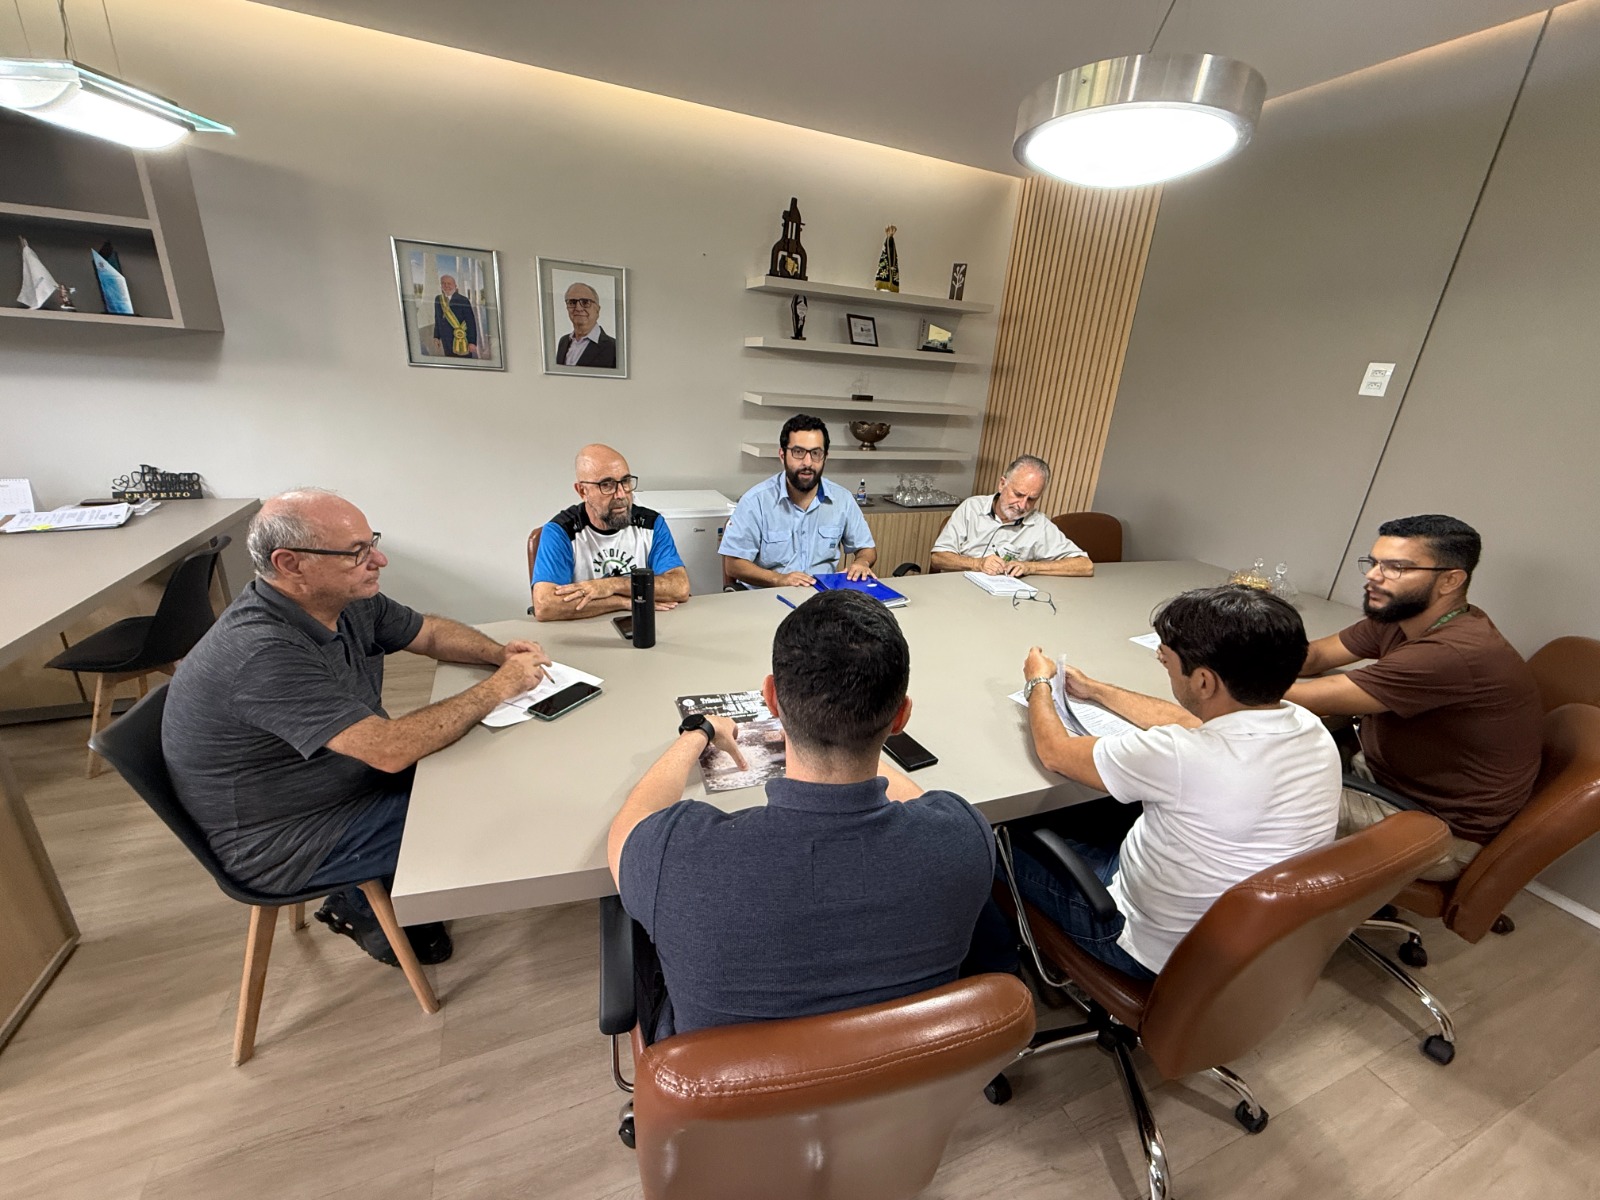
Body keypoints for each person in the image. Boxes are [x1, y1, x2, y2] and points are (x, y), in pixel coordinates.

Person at [163, 489, 551, 967]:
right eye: (356, 552)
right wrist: (499, 688)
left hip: (339, 782)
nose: (378, 560)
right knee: (484, 801)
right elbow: (389, 750)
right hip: (291, 841)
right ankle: (358, 902)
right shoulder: (262, 654)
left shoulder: (341, 598)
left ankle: (383, 892)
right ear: (290, 564)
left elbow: (428, 632)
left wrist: (499, 655)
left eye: (372, 543)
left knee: (484, 764)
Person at [608, 589, 999, 1042]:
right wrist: (857, 734)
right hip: (902, 1077)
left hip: (736, 1087)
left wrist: (700, 730)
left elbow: (630, 822)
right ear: (901, 717)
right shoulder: (964, 838)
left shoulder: (676, 857)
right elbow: (916, 804)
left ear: (771, 699)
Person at [1007, 585, 1340, 979]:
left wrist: (1038, 683)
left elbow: (1055, 752)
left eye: (1167, 660)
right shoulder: (1310, 726)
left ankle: (1005, 962)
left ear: (1203, 682)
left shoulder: (1179, 756)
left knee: (997, 842)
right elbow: (1189, 720)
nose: (1163, 665)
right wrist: (1095, 690)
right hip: (1249, 945)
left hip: (1145, 945)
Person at [1286, 514, 1542, 880]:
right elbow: (1315, 657)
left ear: (1450, 580)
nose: (1373, 576)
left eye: (1396, 568)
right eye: (1374, 563)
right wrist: (1226, 652)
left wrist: (1211, 676)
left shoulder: (1453, 652)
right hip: (1384, 776)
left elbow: (1309, 697)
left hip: (1435, 831)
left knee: (1256, 788)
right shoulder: (1405, 615)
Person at [530, 444, 691, 621]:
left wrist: (612, 585)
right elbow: (546, 606)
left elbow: (680, 587)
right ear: (582, 491)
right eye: (607, 485)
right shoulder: (561, 532)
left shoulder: (652, 524)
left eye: (626, 482)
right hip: (583, 630)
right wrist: (622, 602)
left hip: (645, 625)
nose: (621, 494)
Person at [719, 414, 877, 588]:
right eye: (798, 452)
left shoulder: (842, 500)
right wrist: (779, 579)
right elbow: (733, 565)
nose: (807, 463)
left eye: (816, 453)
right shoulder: (755, 502)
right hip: (769, 595)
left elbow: (867, 549)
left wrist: (862, 562)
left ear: (825, 457)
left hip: (823, 596)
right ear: (782, 455)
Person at [930, 455, 1092, 577]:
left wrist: (1030, 567)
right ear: (1002, 484)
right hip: (959, 588)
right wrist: (977, 563)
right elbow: (938, 558)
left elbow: (1085, 566)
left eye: (1032, 499)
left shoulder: (1038, 523)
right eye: (1018, 494)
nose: (1022, 505)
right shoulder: (971, 507)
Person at [555, 282, 617, 368]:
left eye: (585, 302)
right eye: (572, 302)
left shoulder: (615, 348)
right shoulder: (563, 342)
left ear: (597, 309)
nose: (578, 308)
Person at [431, 274, 478, 358]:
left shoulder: (463, 300)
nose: (446, 286)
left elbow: (470, 322)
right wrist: (436, 337)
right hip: (446, 340)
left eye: (449, 283)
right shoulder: (438, 299)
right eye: (443, 283)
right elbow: (437, 319)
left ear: (455, 286)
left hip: (463, 339)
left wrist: (472, 342)